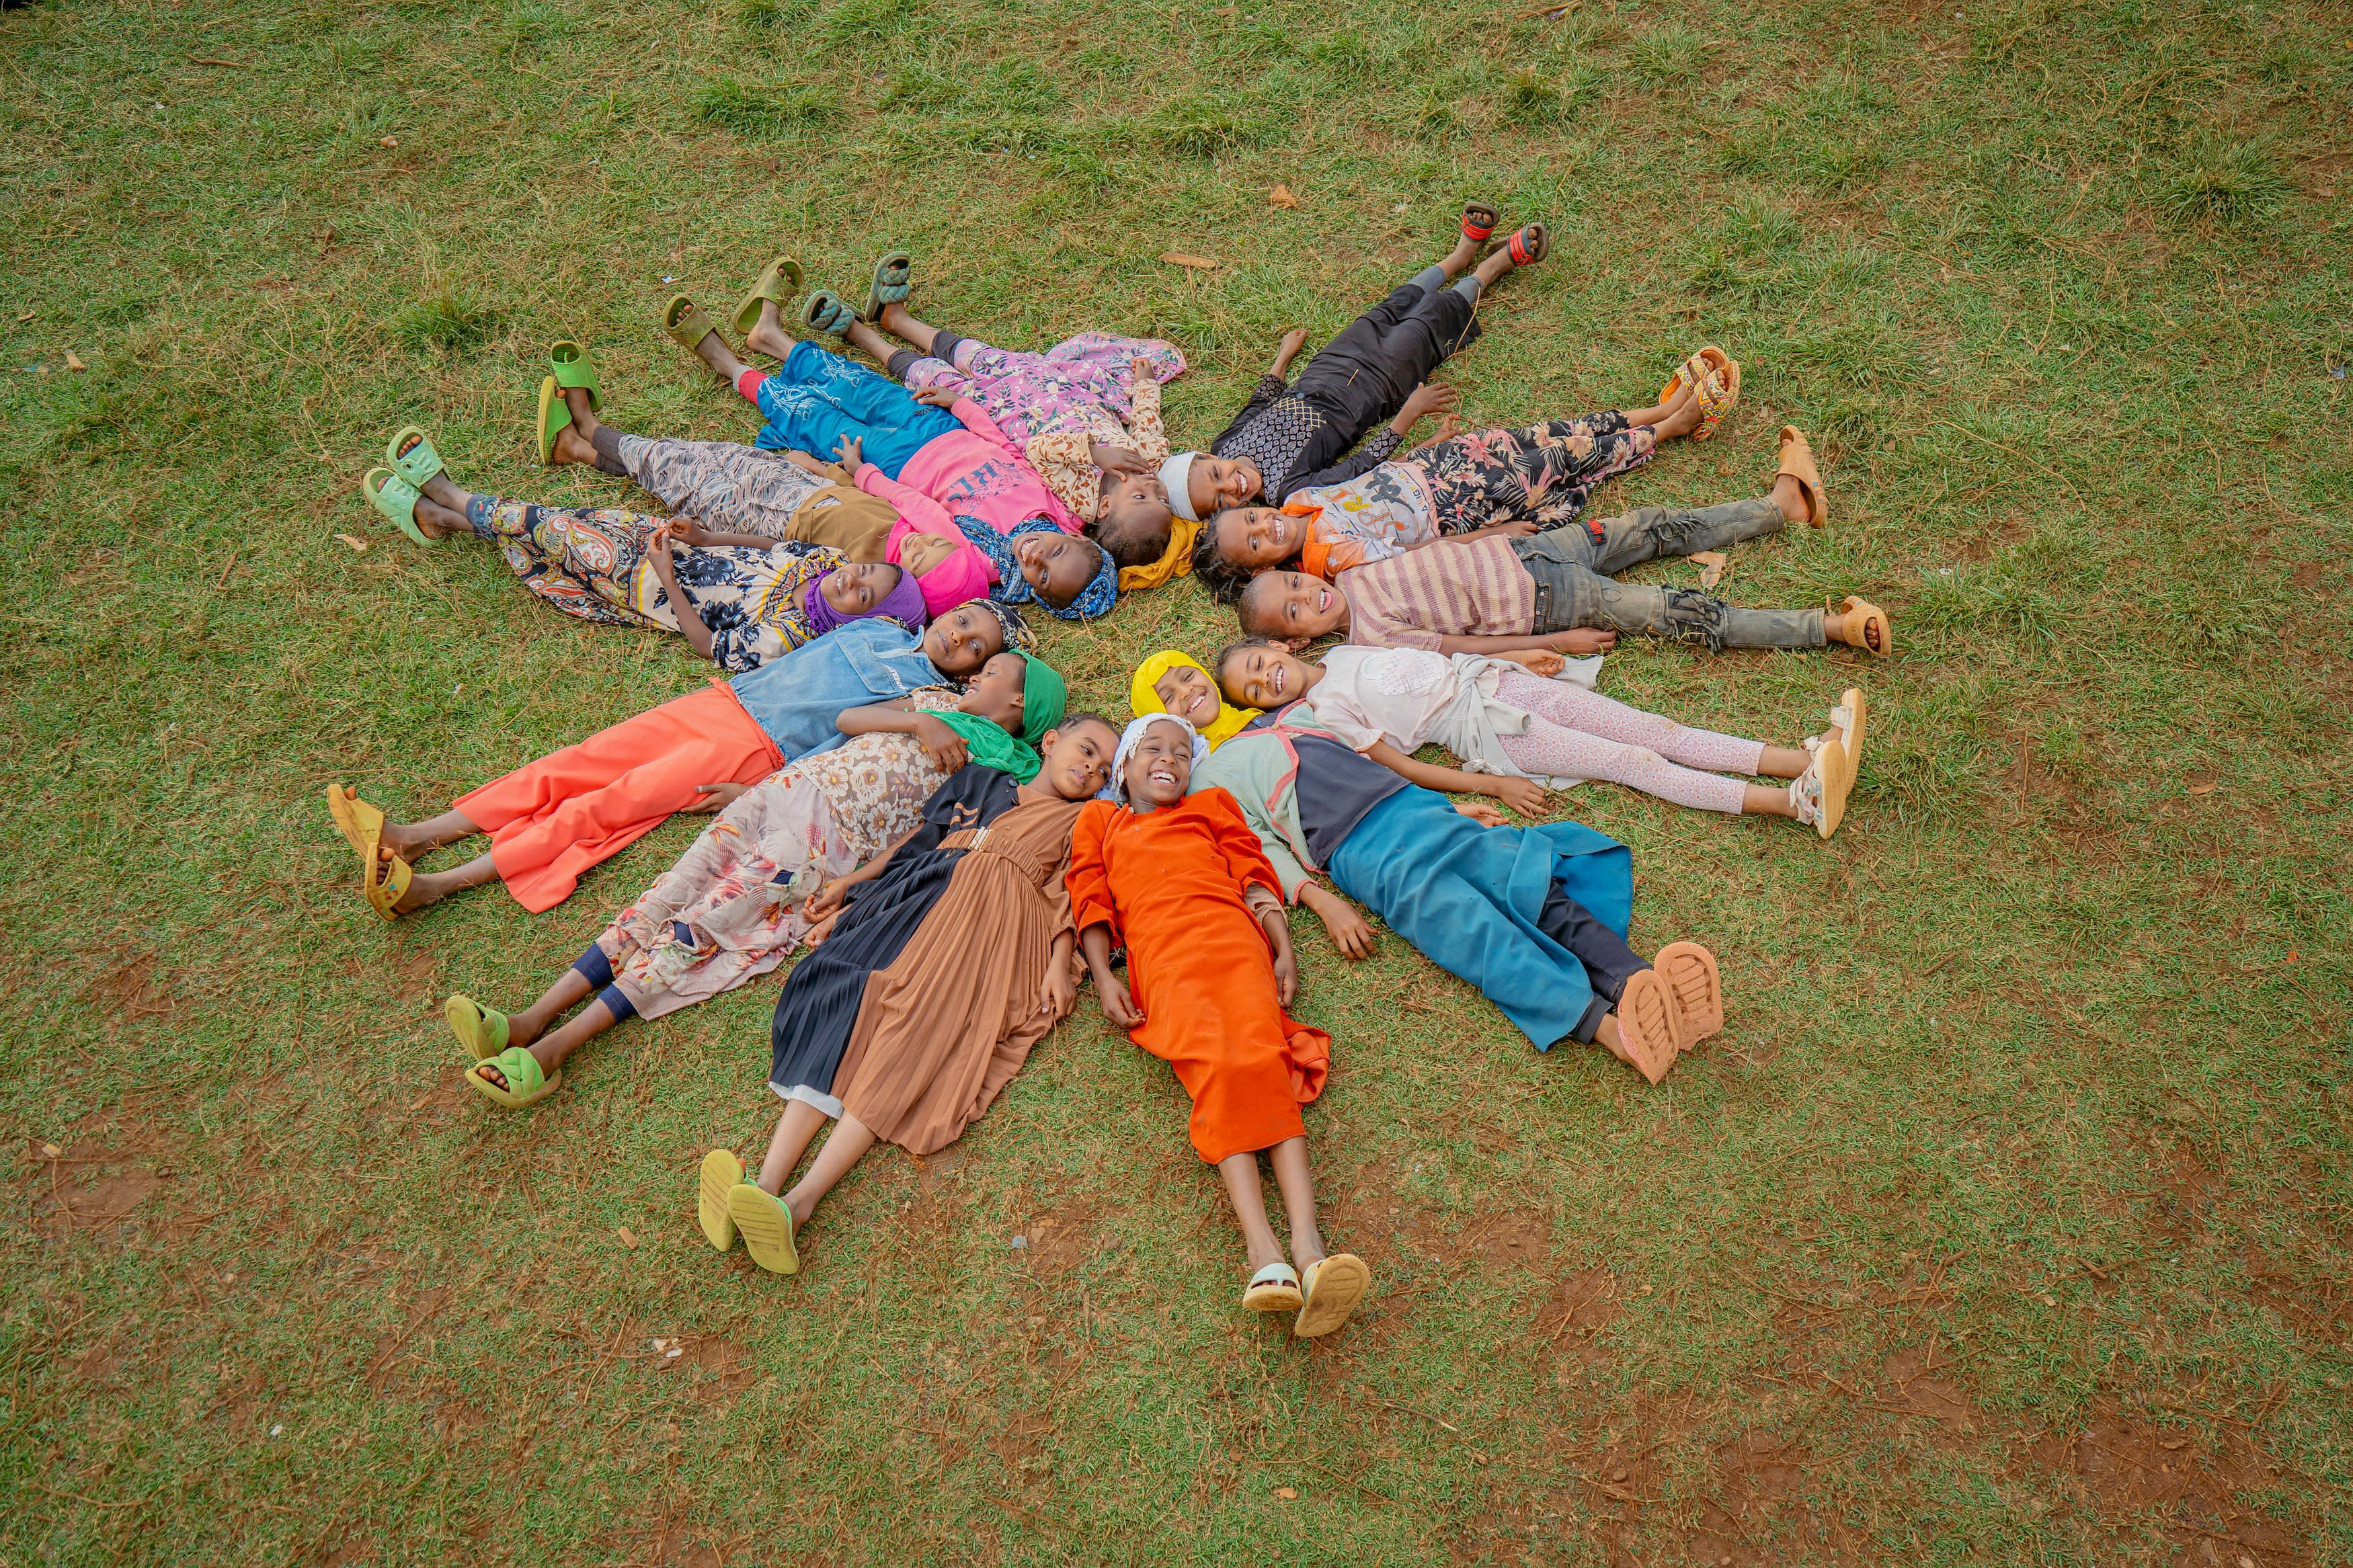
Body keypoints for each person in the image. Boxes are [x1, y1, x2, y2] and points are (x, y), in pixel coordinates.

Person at [442, 651, 1041, 1108]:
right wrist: (922, 723)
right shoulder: (934, 699)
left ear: (1019, 703)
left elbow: (926, 837)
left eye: (990, 674)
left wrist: (854, 884)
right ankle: (531, 1016)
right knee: (665, 897)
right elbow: (847, 720)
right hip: (781, 792)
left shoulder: (998, 770)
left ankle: (556, 1047)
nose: (974, 676)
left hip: (826, 845)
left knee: (694, 932)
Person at [696, 714, 1123, 1275]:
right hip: (920, 895)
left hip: (989, 925)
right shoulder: (983, 780)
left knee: (916, 1035)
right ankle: (765, 1184)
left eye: (1104, 769)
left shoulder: (1087, 819)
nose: (1092, 768)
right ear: (1051, 741)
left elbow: (1073, 889)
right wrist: (852, 891)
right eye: (1087, 749)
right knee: (850, 995)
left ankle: (799, 1204)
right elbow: (916, 844)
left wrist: (1057, 963)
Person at [325, 602, 1028, 919]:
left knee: (609, 805)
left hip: (753, 748)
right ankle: (418, 833)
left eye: (975, 649)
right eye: (965, 621)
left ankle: (438, 883)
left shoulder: (923, 696)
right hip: (722, 701)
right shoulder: (880, 625)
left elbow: (839, 751)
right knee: (579, 761)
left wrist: (753, 791)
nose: (959, 638)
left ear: (971, 673)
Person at [1191, 705, 1722, 1083]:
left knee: (1528, 884)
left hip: (1416, 809)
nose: (1185, 692)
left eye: (1185, 674)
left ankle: (1636, 981)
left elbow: (1374, 767)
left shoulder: (1294, 712)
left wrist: (1450, 807)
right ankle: (1609, 1029)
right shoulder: (1208, 778)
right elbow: (1260, 847)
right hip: (1365, 853)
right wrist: (1321, 901)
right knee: (1475, 936)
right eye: (1166, 695)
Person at [1068, 714, 1370, 1337]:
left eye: (1182, 753)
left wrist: (1283, 948)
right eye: (1153, 749)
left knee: (1263, 1058)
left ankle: (1307, 1251)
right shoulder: (1100, 821)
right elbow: (1089, 897)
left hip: (1234, 945)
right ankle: (1265, 1249)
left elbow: (1254, 875)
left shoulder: (1211, 806)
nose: (1169, 760)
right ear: (1124, 767)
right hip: (1165, 963)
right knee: (1219, 1068)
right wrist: (1101, 975)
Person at [658, 290, 1125, 618]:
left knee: (813, 420)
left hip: (896, 465)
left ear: (1036, 593)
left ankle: (731, 366)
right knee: (857, 385)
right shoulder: (1064, 509)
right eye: (1056, 552)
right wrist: (960, 404)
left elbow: (920, 510)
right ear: (1083, 541)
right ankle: (773, 340)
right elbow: (1009, 447)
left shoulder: (983, 563)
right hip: (939, 426)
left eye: (1040, 575)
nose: (1036, 555)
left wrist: (863, 474)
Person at [1232, 429, 1891, 658]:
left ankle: (1780, 507)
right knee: (1673, 611)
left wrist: (1496, 531)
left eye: (1293, 585)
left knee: (1651, 525)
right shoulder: (1371, 640)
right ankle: (1827, 628)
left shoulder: (1350, 570)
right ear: (1298, 641)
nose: (1306, 597)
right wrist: (1556, 642)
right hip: (1548, 600)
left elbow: (1427, 552)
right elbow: (1462, 648)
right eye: (1294, 612)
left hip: (1529, 550)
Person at [361, 427, 922, 670]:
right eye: (866, 571)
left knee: (552, 529)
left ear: (858, 622)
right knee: (568, 523)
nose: (851, 580)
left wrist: (668, 578)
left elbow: (710, 646)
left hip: (644, 584)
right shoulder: (828, 562)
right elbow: (775, 545)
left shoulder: (795, 639)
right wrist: (706, 537)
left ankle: (449, 496)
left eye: (862, 595)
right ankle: (444, 519)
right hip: (664, 542)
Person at [1214, 639, 1870, 837]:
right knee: (1632, 759)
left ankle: (1804, 759)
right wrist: (1495, 782)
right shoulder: (1325, 710)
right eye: (1254, 690)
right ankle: (1794, 803)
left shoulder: (1344, 651)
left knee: (1652, 727)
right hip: (1490, 731)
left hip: (1498, 681)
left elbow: (1436, 657)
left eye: (1258, 664)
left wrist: (1516, 656)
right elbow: (1403, 768)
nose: (1265, 679)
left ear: (1278, 647)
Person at [518, 358, 997, 622]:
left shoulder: (870, 581)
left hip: (769, 519)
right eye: (934, 542)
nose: (918, 544)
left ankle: (589, 430)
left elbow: (800, 562)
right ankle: (582, 451)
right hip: (798, 482)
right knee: (703, 454)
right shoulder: (907, 529)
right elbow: (874, 494)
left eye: (920, 559)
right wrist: (824, 469)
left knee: (681, 479)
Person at [1158, 202, 1553, 519]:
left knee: (1390, 308)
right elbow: (1361, 467)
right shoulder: (1286, 493)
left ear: (1207, 457)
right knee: (1423, 326)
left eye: (1215, 474)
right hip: (1373, 390)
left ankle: (1460, 255)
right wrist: (1409, 414)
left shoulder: (1225, 445)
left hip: (1327, 366)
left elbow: (1260, 401)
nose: (1232, 485)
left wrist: (1283, 357)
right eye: (1222, 501)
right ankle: (1489, 270)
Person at [1189, 372, 1727, 600]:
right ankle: (1671, 427)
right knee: (1562, 460)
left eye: (1251, 517)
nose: (1265, 525)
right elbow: (1421, 556)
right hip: (1457, 507)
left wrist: (1428, 445)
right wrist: (1493, 537)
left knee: (1548, 433)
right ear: (1261, 571)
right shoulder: (1332, 564)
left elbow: (1364, 473)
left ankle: (1653, 412)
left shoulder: (1298, 499)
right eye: (1255, 543)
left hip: (1438, 463)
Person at [1129, 650, 1258, 749]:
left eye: (1188, 677)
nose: (1186, 691)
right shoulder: (1203, 768)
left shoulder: (1261, 711)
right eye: (1169, 697)